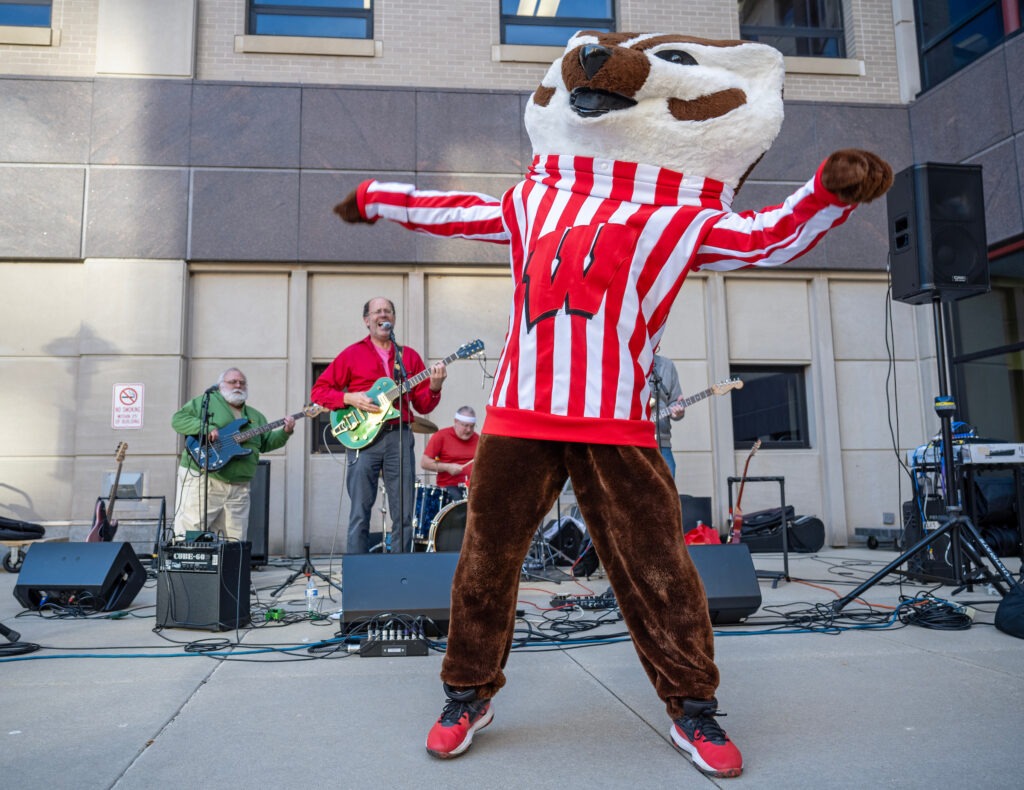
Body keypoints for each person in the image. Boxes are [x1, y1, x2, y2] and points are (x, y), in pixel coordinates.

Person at [310, 297, 447, 553]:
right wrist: (349, 397)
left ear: (393, 319)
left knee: (404, 513)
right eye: (377, 311)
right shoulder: (353, 354)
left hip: (399, 436)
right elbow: (319, 392)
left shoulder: (409, 357)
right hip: (363, 438)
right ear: (367, 320)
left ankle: (401, 573)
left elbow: (423, 406)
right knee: (360, 510)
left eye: (388, 311)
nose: (383, 314)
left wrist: (435, 387)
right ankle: (358, 573)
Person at [171, 368, 294, 541]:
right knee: (191, 531)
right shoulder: (206, 402)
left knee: (235, 540)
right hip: (204, 478)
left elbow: (266, 443)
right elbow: (178, 419)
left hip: (239, 487)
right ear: (220, 385)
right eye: (233, 382)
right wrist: (205, 428)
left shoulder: (255, 417)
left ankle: (231, 569)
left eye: (242, 382)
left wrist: (285, 432)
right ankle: (188, 568)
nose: (238, 385)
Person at [420, 406, 480, 499]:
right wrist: (447, 467)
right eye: (465, 425)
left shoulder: (478, 440)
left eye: (472, 426)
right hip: (449, 487)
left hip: (473, 486)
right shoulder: (441, 436)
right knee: (457, 498)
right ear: (456, 422)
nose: (469, 430)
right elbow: (425, 463)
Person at [649, 353, 686, 479]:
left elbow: (674, 401)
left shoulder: (666, 365)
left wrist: (678, 411)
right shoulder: (625, 362)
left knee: (667, 491)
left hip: (662, 442)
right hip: (632, 443)